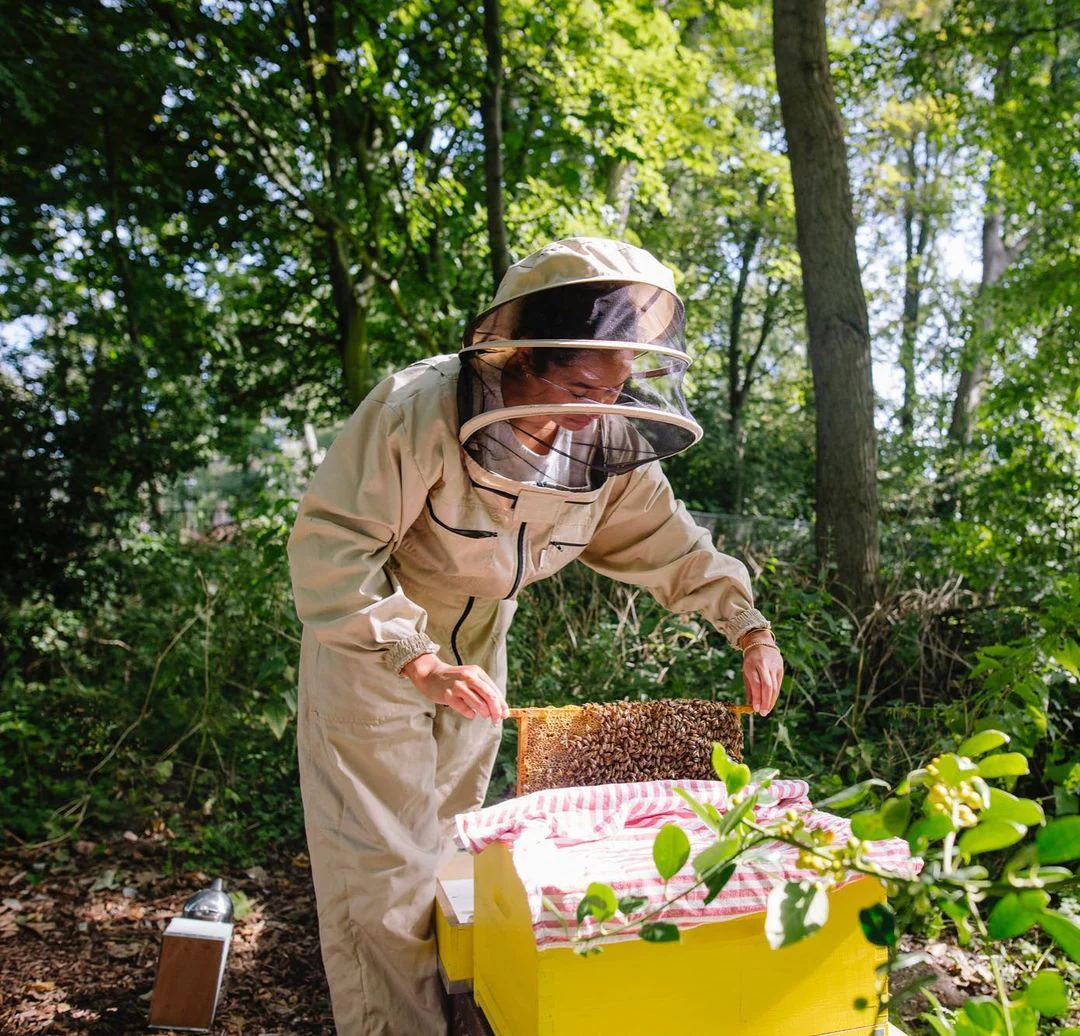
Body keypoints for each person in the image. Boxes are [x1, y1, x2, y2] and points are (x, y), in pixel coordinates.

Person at [287, 237, 784, 1035]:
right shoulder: (417, 409)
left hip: (480, 647)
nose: (598, 408)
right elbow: (332, 545)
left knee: (449, 851)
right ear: (517, 360)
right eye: (580, 383)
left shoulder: (607, 442)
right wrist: (411, 655)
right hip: (373, 642)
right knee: (382, 873)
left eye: (617, 386)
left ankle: (459, 1010)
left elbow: (673, 544)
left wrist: (747, 627)